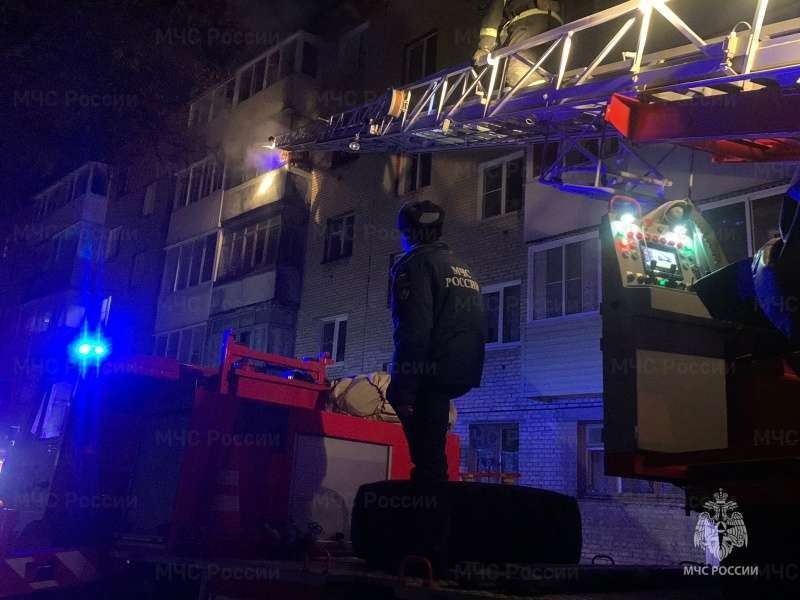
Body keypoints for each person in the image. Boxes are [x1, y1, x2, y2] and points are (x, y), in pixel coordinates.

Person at [387, 200, 486, 483]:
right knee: (433, 451)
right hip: (462, 368)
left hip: (431, 368)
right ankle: (434, 490)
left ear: (407, 233)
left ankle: (428, 502)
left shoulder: (413, 265)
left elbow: (413, 330)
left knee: (427, 461)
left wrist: (403, 389)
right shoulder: (461, 266)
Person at [473, 0, 563, 89]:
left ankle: (536, 93)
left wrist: (485, 47)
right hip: (556, 26)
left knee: (518, 69)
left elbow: (493, 16)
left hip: (529, 22)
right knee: (550, 73)